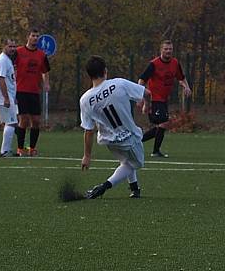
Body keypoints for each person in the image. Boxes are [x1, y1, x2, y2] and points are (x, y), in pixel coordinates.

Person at [81, 55, 152, 199]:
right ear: (105, 71)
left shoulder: (85, 99)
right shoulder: (119, 84)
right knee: (135, 164)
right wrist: (146, 104)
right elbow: (147, 93)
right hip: (129, 136)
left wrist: (87, 155)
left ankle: (134, 188)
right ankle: (103, 187)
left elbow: (89, 130)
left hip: (109, 141)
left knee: (126, 161)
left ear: (89, 75)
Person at [138, 40, 191, 158]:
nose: (168, 51)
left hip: (163, 99)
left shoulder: (175, 63)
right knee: (163, 123)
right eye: (166, 49)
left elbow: (181, 78)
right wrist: (141, 98)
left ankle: (137, 142)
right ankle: (153, 150)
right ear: (161, 50)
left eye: (170, 49)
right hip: (154, 99)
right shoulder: (154, 64)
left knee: (161, 125)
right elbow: (142, 80)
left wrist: (186, 87)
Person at [14, 29, 51, 156]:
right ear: (28, 37)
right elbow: (11, 66)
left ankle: (32, 148)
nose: (35, 38)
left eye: (37, 36)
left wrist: (46, 83)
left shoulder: (41, 55)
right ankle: (20, 148)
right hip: (21, 90)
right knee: (23, 119)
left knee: (36, 121)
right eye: (33, 36)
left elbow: (45, 71)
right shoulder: (18, 52)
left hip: (34, 91)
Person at [0, 39, 18, 158]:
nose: (13, 49)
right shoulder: (2, 60)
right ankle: (5, 151)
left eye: (14, 46)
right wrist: (6, 98)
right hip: (3, 97)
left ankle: (6, 150)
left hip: (6, 96)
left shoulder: (7, 60)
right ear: (4, 46)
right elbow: (1, 79)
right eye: (10, 46)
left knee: (10, 122)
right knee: (11, 122)